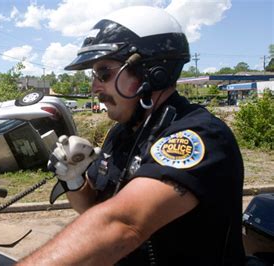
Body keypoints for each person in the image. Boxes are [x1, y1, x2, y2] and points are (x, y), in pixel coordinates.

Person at [18, 6, 245, 265]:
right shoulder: (122, 134)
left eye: (104, 73)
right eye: (94, 75)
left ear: (152, 72)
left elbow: (123, 225)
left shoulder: (199, 136)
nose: (94, 87)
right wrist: (74, 179)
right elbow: (93, 208)